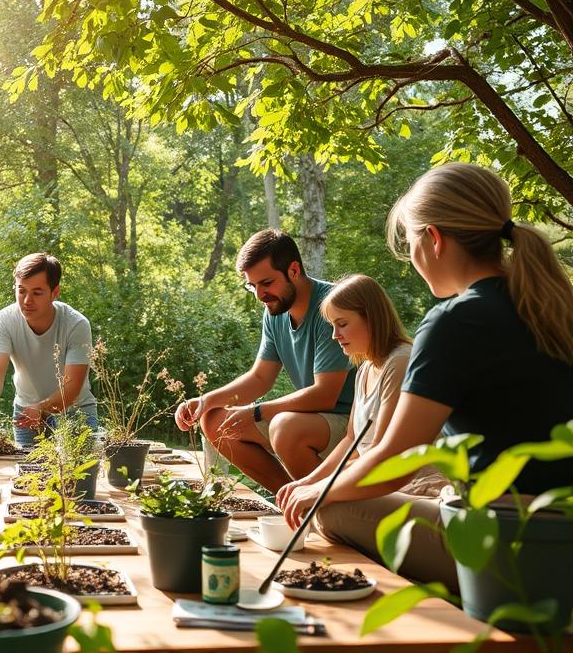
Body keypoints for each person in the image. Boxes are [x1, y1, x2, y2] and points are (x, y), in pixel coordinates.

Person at [286, 163, 573, 590]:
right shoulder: (550, 307)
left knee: (331, 511)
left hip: (512, 539)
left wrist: (318, 492)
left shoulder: (456, 320)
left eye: (410, 241)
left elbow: (398, 462)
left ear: (433, 238)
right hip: (559, 527)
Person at [174, 229, 355, 493]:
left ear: (294, 270)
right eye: (252, 286)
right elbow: (260, 378)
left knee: (287, 427)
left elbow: (325, 396)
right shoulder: (275, 310)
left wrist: (257, 411)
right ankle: (290, 499)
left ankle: (322, 505)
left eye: (267, 283)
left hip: (351, 421)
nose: (260, 295)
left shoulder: (331, 306)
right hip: (311, 419)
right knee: (214, 421)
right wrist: (206, 401)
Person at [276, 274, 446, 528]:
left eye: (342, 324)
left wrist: (323, 488)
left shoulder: (400, 362)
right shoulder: (365, 369)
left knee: (326, 509)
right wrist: (307, 482)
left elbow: (381, 451)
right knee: (317, 503)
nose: (335, 335)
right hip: (375, 479)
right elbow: (351, 442)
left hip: (415, 487)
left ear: (371, 318)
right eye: (332, 325)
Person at [0, 253, 98, 446]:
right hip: (26, 412)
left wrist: (41, 408)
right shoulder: (5, 320)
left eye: (37, 293)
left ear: (54, 292)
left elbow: (72, 388)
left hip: (76, 412)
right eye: (21, 291)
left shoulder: (76, 324)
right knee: (27, 474)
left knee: (79, 475)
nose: (26, 301)